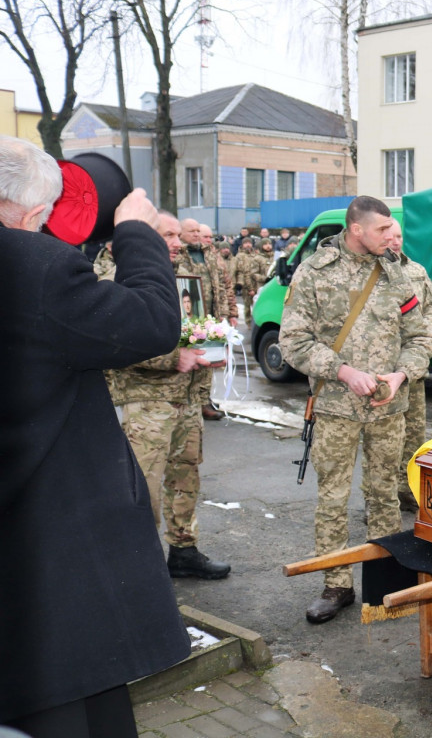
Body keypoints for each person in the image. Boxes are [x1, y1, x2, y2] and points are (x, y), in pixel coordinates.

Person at [0, 137, 189, 734]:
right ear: (33, 216)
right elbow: (154, 321)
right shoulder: (35, 269)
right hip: (44, 562)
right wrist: (136, 233)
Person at [279, 195, 432, 624]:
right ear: (356, 230)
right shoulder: (315, 272)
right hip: (335, 407)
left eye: (392, 230)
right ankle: (336, 585)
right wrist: (344, 372)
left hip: (389, 407)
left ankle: (385, 581)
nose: (391, 237)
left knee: (384, 492)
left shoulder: (397, 271)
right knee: (332, 497)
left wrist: (401, 375)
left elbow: (421, 336)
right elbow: (292, 343)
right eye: (383, 230)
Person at [100, 213, 232, 581]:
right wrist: (177, 358)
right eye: (168, 235)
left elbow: (192, 327)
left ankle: (183, 550)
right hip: (146, 402)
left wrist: (212, 349)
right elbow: (117, 343)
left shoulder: (180, 277)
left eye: (178, 235)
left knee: (184, 475)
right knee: (144, 486)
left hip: (185, 397)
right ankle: (139, 566)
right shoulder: (119, 281)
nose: (178, 242)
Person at [386, 219, 432, 496]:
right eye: (390, 235)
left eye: (399, 236)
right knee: (385, 438)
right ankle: (383, 496)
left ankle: (407, 488)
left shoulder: (416, 270)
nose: (396, 241)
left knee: (415, 431)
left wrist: (422, 334)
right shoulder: (372, 270)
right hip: (382, 370)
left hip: (414, 370)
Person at [179, 218, 230, 421]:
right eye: (192, 231)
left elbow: (221, 285)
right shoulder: (178, 255)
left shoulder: (208, 254)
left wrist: (225, 314)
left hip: (211, 315)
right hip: (190, 315)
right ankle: (189, 400)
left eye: (198, 231)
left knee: (208, 359)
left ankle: (203, 400)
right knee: (192, 358)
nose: (197, 235)